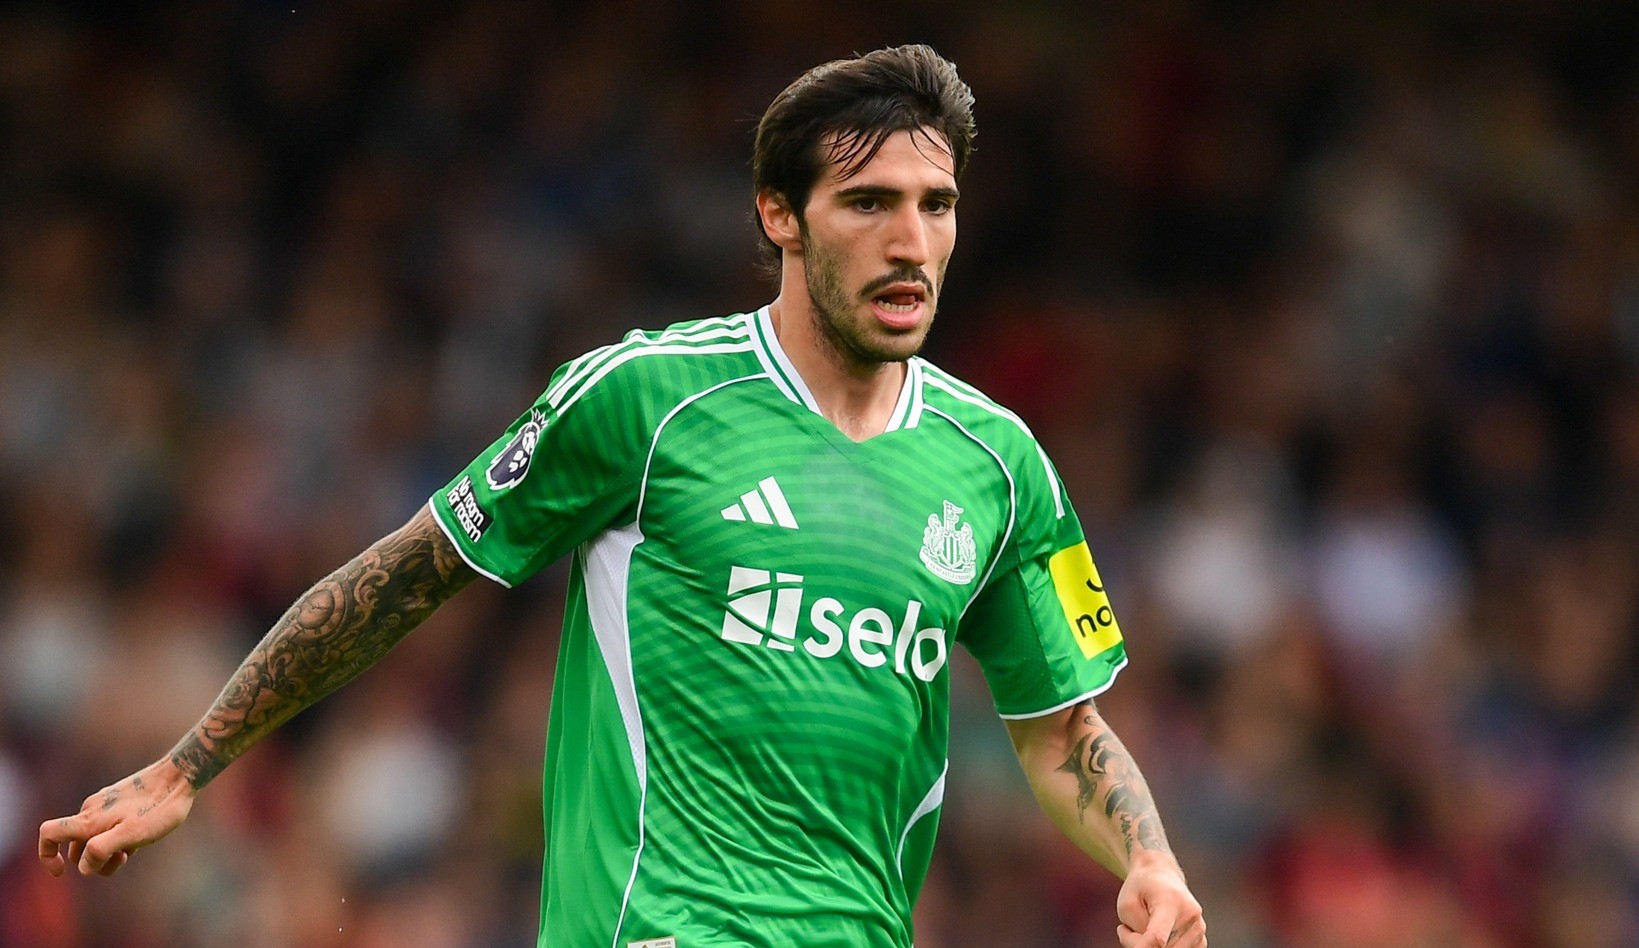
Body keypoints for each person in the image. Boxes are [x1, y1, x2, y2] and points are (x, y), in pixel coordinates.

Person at [39, 44, 1206, 948]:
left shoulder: (999, 463)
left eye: (935, 205)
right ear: (779, 214)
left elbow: (1063, 731)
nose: (911, 241)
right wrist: (189, 764)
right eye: (868, 203)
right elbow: (408, 573)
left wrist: (1147, 860)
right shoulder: (646, 399)